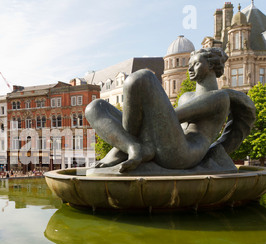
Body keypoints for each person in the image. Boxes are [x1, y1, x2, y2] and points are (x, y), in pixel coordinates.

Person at [85, 47, 255, 173]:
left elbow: (172, 117)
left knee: (141, 78)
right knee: (94, 107)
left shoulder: (219, 97)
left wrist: (145, 107)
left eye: (195, 64)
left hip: (184, 154)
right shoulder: (185, 96)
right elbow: (164, 122)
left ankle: (124, 151)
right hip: (166, 143)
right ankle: (132, 148)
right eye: (189, 64)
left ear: (211, 65)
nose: (189, 69)